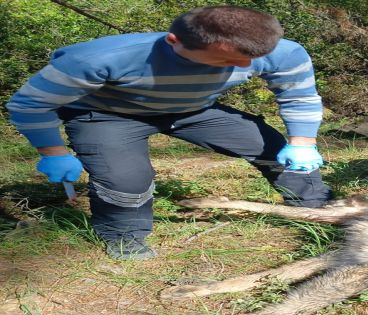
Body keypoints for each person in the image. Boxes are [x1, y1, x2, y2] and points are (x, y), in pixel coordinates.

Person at [6, 6, 332, 260]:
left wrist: (303, 142)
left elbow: (298, 95)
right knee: (126, 179)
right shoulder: (95, 60)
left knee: (273, 147)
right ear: (174, 42)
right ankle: (124, 238)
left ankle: (317, 210)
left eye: (250, 59)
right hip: (107, 115)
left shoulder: (281, 52)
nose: (244, 67)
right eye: (227, 60)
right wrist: (53, 152)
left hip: (194, 110)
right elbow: (29, 105)